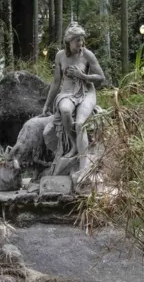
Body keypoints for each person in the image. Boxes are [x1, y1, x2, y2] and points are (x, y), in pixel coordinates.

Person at [42, 22, 105, 175]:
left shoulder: (87, 54)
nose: (81, 43)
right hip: (67, 93)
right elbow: (56, 83)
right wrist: (47, 105)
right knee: (64, 110)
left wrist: (82, 76)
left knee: (80, 124)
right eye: (78, 40)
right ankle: (74, 144)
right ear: (69, 41)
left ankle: (83, 168)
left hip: (86, 92)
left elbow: (101, 78)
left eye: (82, 40)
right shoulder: (60, 56)